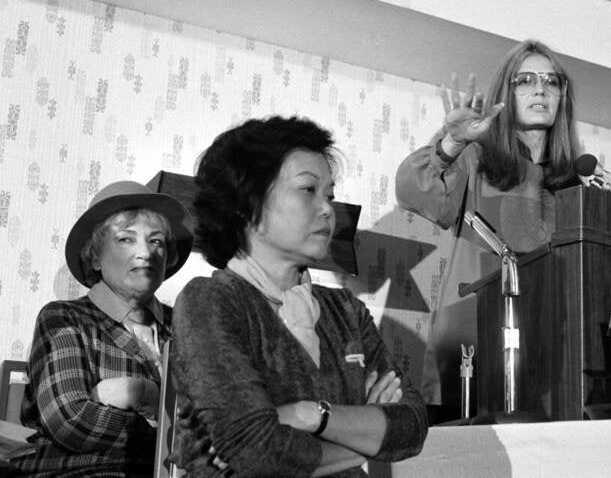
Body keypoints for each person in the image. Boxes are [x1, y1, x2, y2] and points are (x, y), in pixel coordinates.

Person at [171, 116, 428, 477]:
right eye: (308, 190)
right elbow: (256, 450)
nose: (327, 209)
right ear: (247, 203)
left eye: (330, 195)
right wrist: (365, 437)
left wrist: (310, 414)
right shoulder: (211, 301)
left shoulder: (345, 310)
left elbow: (412, 426)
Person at [396, 40, 579, 415]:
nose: (540, 89)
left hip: (548, 351)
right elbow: (412, 190)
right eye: (525, 80)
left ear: (563, 97)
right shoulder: (476, 159)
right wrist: (451, 143)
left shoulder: (573, 186)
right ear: (505, 94)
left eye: (551, 81)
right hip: (471, 343)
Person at [10, 181, 194, 477]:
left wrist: (143, 400)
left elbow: (218, 419)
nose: (145, 253)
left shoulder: (187, 326)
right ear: (95, 256)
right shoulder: (64, 318)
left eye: (157, 241)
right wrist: (166, 431)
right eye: (126, 239)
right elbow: (71, 419)